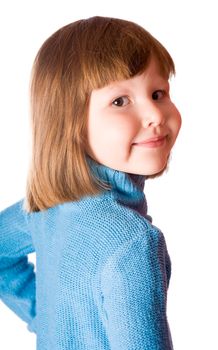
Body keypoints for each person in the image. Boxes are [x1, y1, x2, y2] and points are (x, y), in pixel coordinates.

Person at [0, 16, 182, 349]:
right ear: (69, 124)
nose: (155, 114)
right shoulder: (132, 243)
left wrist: (50, 325)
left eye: (158, 93)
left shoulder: (46, 209)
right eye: (119, 101)